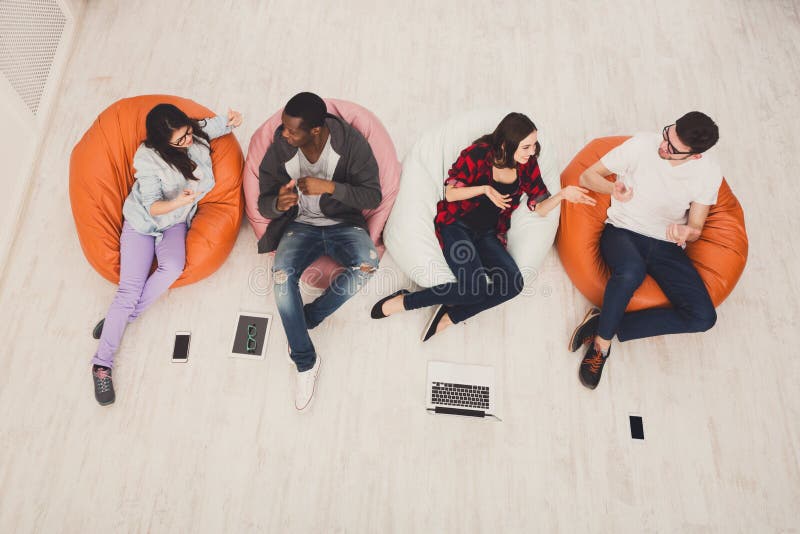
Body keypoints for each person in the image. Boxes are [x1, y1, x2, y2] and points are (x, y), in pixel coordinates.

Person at [371, 112, 594, 341]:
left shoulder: (527, 165)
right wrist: (485, 189)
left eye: (534, 145)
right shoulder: (478, 154)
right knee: (473, 288)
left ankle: (451, 316)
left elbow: (539, 206)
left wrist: (563, 195)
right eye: (527, 146)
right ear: (508, 144)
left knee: (513, 284)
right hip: (456, 225)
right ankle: (406, 301)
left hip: (489, 233)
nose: (533, 151)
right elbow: (450, 193)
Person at [90, 103, 243, 405]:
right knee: (128, 290)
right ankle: (101, 364)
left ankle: (118, 321)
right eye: (180, 139)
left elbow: (215, 125)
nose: (187, 140)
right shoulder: (147, 160)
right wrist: (177, 201)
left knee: (172, 267)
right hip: (144, 223)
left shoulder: (194, 132)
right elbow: (152, 207)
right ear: (163, 142)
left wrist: (233, 120)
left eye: (187, 132)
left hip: (175, 223)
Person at [568, 111, 722, 390]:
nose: (663, 146)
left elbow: (697, 225)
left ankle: (606, 323)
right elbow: (586, 176)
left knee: (704, 317)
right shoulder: (641, 145)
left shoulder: (708, 171)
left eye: (673, 148)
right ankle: (601, 347)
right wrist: (612, 188)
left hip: (665, 244)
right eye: (667, 134)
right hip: (622, 230)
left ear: (695, 155)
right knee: (630, 272)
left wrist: (689, 232)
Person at [257, 92, 382, 412]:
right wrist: (277, 204)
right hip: (300, 226)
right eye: (283, 128)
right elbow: (263, 201)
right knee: (281, 278)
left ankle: (307, 317)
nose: (283, 134)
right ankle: (305, 362)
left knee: (369, 265)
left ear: (315, 130)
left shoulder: (351, 145)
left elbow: (372, 196)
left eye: (291, 130)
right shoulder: (280, 149)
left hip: (344, 224)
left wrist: (329, 188)